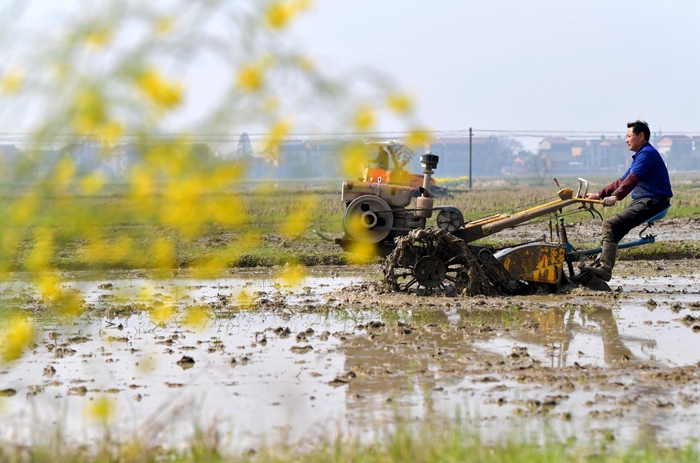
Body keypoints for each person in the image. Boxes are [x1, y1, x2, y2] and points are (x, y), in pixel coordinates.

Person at [582, 120, 673, 281]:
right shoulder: (641, 155)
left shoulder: (647, 154)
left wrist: (616, 197)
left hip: (652, 203)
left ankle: (604, 269)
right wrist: (600, 194)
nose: (626, 140)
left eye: (629, 136)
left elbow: (633, 178)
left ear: (641, 136)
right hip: (644, 202)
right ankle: (597, 267)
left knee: (610, 225)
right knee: (612, 230)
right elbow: (621, 180)